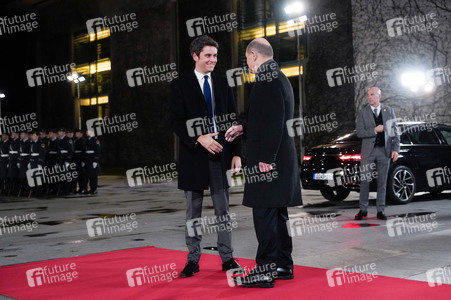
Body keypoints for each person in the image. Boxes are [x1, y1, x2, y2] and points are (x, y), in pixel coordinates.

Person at [225, 38, 302, 288]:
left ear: (254, 55)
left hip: (269, 161)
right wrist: (243, 128)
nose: (247, 64)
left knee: (264, 214)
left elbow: (273, 123)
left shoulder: (266, 79)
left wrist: (266, 158)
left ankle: (265, 270)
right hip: (282, 158)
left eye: (247, 59)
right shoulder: (278, 77)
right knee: (278, 213)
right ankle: (283, 265)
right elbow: (268, 119)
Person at [171, 35, 243, 278]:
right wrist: (198, 137)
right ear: (195, 56)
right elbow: (176, 121)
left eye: (215, 55)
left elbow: (233, 120)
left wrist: (237, 154)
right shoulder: (179, 85)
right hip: (194, 156)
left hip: (221, 155)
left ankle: (227, 257)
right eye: (208, 55)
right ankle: (192, 260)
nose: (213, 60)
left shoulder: (223, 83)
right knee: (193, 212)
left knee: (223, 211)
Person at [354, 87, 400, 220]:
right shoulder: (363, 113)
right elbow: (360, 132)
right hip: (368, 152)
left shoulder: (389, 111)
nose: (369, 97)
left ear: (379, 96)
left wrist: (395, 149)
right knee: (365, 181)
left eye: (372, 94)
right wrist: (374, 130)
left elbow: (395, 132)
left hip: (384, 151)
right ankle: (363, 210)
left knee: (382, 182)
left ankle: (381, 210)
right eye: (368, 95)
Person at [29, 131, 46, 197]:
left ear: (37, 136)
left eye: (33, 135)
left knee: (38, 178)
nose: (32, 136)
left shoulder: (41, 143)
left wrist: (40, 163)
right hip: (33, 161)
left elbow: (42, 154)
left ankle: (39, 192)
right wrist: (30, 161)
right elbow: (31, 153)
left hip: (38, 162)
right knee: (34, 178)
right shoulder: (32, 143)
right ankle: (34, 191)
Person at [83, 129, 100, 194]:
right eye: (86, 132)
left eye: (88, 132)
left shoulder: (95, 140)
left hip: (92, 159)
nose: (87, 133)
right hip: (87, 160)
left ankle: (94, 188)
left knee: (93, 176)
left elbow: (97, 151)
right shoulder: (86, 140)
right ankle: (89, 188)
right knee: (88, 175)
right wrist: (84, 160)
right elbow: (84, 151)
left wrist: (95, 161)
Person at [73, 129, 86, 194]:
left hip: (80, 159)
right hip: (76, 159)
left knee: (81, 176)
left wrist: (83, 160)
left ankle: (82, 188)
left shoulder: (82, 141)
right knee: (76, 175)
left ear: (81, 134)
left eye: (77, 133)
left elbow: (84, 151)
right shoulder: (76, 140)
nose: (76, 134)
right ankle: (78, 188)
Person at [18, 131, 31, 197]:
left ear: (26, 135)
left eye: (22, 134)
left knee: (26, 177)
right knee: (22, 177)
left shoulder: (28, 142)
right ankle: (22, 190)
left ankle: (26, 190)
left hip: (26, 161)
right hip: (21, 161)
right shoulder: (21, 142)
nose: (21, 135)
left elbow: (29, 152)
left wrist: (29, 162)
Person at [7, 132, 20, 196]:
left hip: (15, 161)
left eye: (13, 134)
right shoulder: (12, 142)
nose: (11, 135)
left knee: (15, 177)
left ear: (17, 134)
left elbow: (19, 152)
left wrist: (18, 161)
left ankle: (15, 190)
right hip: (11, 161)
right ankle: (12, 190)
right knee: (11, 177)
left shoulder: (18, 141)